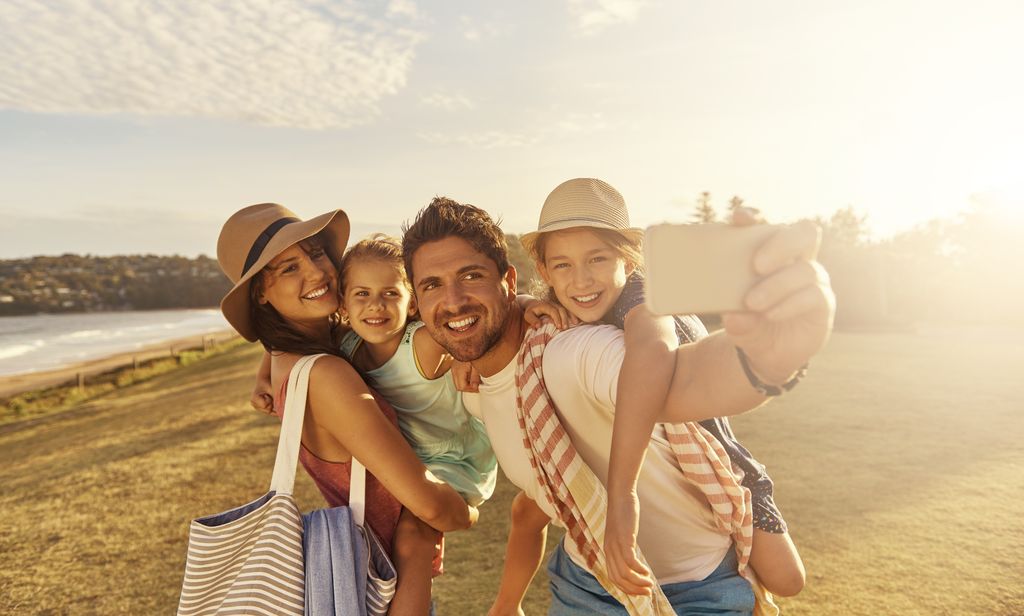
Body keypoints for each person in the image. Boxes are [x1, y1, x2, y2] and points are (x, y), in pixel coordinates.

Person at [400, 195, 834, 615]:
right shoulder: (475, 391)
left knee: (786, 576)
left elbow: (683, 377)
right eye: (433, 285)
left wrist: (769, 360)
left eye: (471, 276)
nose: (453, 299)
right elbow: (538, 496)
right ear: (417, 303)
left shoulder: (572, 352)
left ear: (509, 281)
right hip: (584, 583)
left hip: (694, 592)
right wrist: (507, 602)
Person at [519, 178, 805, 599]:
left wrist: (622, 498)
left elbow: (652, 349)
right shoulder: (561, 305)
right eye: (562, 265)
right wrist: (523, 304)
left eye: (597, 259)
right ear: (544, 271)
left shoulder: (645, 299)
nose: (580, 280)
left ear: (628, 261)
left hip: (725, 460)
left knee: (786, 580)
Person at [216, 203, 477, 616]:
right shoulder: (326, 375)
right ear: (260, 294)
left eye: (316, 253)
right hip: (390, 585)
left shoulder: (300, 358)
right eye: (288, 269)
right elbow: (429, 505)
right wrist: (467, 514)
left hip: (374, 573)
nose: (316, 273)